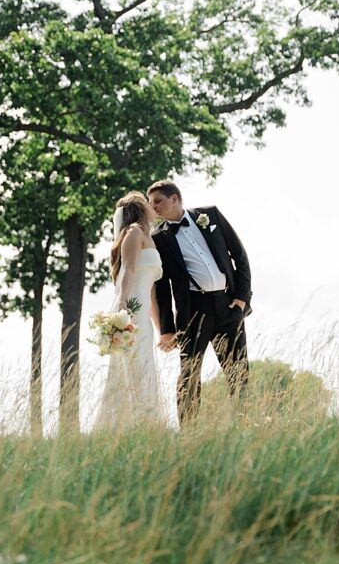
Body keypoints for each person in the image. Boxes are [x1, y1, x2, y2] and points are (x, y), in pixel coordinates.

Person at [148, 179, 252, 424]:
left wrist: (241, 299)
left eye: (158, 201)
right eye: (151, 203)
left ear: (175, 199)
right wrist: (167, 330)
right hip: (194, 311)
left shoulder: (211, 215)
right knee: (189, 373)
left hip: (229, 306)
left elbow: (240, 255)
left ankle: (244, 426)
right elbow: (161, 288)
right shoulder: (158, 239)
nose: (153, 207)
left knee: (238, 371)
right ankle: (189, 431)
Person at [93, 191, 167, 430]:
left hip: (143, 309)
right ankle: (137, 422)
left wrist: (159, 328)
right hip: (132, 305)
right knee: (136, 364)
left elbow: (153, 291)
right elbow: (127, 269)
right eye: (147, 204)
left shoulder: (147, 236)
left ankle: (145, 421)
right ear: (140, 209)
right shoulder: (134, 233)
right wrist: (121, 303)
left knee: (144, 361)